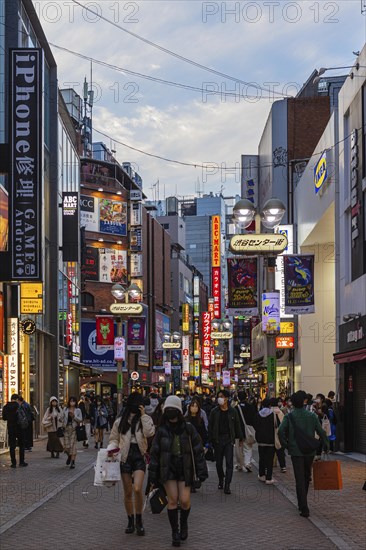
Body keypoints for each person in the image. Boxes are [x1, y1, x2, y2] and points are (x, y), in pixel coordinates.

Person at [148, 395, 208, 547]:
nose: (170, 412)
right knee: (173, 500)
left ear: (179, 411)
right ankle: (175, 532)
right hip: (167, 468)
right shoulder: (161, 430)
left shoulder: (188, 428)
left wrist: (201, 472)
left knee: (185, 500)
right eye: (168, 409)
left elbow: (198, 450)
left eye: (173, 409)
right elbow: (154, 454)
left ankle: (184, 524)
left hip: (185, 466)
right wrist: (153, 477)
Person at [108, 392, 155, 537]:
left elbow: (150, 433)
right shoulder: (120, 421)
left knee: (137, 488)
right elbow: (113, 438)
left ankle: (139, 520)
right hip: (124, 457)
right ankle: (131, 520)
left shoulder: (144, 419)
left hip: (139, 456)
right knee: (128, 492)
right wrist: (112, 449)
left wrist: (144, 415)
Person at [278, 390, 329, 518]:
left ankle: (303, 506)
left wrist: (286, 445)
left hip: (296, 451)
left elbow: (280, 431)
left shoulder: (289, 416)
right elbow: (321, 432)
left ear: (293, 403)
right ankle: (303, 503)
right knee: (306, 476)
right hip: (309, 450)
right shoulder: (311, 416)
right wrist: (326, 445)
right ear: (304, 401)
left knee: (299, 478)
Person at [208, 389, 243, 494]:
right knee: (218, 463)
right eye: (219, 396)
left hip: (228, 440)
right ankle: (221, 479)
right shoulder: (214, 411)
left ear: (227, 398)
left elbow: (237, 425)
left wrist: (240, 438)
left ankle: (227, 484)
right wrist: (210, 440)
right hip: (217, 440)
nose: (220, 398)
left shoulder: (233, 411)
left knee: (229, 463)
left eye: (222, 396)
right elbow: (210, 426)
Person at [252, 398, 276, 484]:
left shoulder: (258, 414)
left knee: (262, 458)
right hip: (270, 440)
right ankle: (268, 478)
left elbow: (254, 425)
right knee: (270, 459)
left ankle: (261, 475)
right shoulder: (273, 415)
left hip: (260, 439)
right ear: (270, 405)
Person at [2, 394, 28, 468]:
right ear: (17, 399)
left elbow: (4, 418)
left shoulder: (6, 407)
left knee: (12, 446)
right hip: (19, 428)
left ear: (11, 399)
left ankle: (13, 463)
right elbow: (23, 416)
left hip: (11, 428)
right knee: (21, 445)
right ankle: (21, 462)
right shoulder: (19, 406)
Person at [235, 390, 256, 472]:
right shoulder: (250, 407)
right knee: (248, 448)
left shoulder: (236, 408)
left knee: (239, 449)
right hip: (248, 431)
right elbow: (254, 419)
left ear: (238, 398)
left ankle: (240, 464)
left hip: (238, 431)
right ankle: (247, 463)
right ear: (246, 397)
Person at [62, 396, 83, 469]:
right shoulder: (65, 409)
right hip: (66, 428)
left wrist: (74, 416)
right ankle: (69, 456)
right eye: (71, 401)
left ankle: (73, 462)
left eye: (73, 401)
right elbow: (61, 418)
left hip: (74, 429)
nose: (72, 402)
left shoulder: (78, 410)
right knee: (66, 446)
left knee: (73, 445)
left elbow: (80, 419)